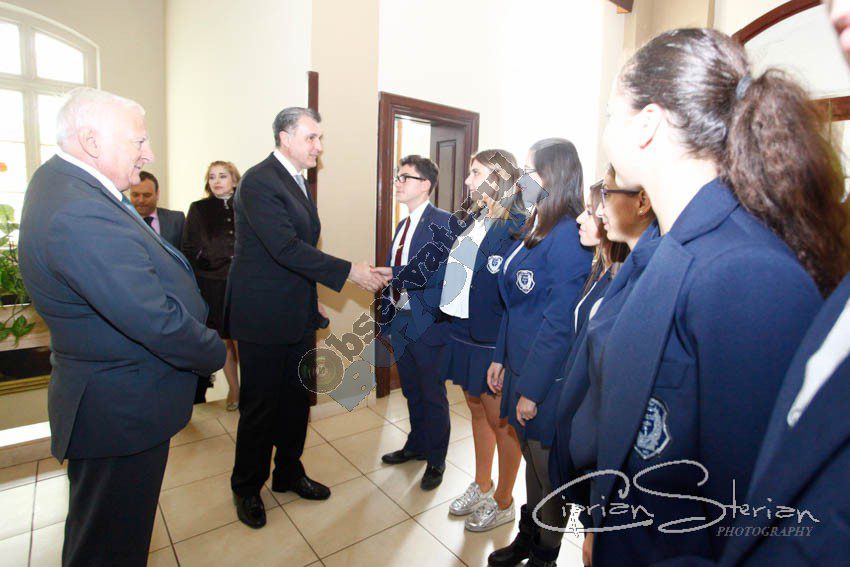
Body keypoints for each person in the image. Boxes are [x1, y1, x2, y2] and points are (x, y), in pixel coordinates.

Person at [580, 28, 845, 566]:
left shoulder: (748, 276)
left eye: (610, 114)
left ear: (647, 124)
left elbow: (743, 515)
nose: (605, 130)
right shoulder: (668, 243)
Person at [18, 87, 225, 566]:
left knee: (103, 537)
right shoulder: (79, 209)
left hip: (114, 399)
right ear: (92, 141)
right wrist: (214, 351)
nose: (147, 154)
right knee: (110, 549)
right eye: (139, 141)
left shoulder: (66, 183)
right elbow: (153, 319)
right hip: (119, 409)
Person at [227, 107, 388, 529]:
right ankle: (247, 487)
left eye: (320, 139)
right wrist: (350, 271)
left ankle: (288, 472)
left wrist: (311, 296)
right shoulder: (259, 181)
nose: (319, 147)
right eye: (312, 138)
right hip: (262, 315)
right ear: (285, 138)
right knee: (261, 406)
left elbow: (298, 252)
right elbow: (284, 248)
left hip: (295, 309)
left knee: (297, 400)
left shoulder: (295, 180)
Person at [486, 138, 593, 567]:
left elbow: (559, 323)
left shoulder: (568, 235)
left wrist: (531, 390)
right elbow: (516, 304)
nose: (522, 180)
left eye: (530, 172)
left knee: (548, 473)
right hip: (519, 365)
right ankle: (528, 537)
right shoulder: (537, 224)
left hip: (545, 377)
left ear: (554, 176)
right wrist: (499, 356)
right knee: (531, 461)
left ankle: (546, 554)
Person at [553, 167, 655, 567]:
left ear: (642, 203)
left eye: (602, 201)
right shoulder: (614, 270)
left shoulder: (645, 276)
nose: (589, 214)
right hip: (590, 446)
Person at [439, 149, 526, 531]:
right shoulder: (472, 218)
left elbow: (518, 297)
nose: (467, 180)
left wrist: (506, 354)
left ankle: (503, 500)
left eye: (475, 172)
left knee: (501, 421)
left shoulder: (520, 227)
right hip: (464, 331)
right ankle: (482, 483)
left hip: (493, 342)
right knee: (476, 411)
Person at [375, 155, 456, 491]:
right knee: (411, 388)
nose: (397, 183)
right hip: (401, 320)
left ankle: (436, 459)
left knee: (432, 393)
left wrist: (390, 273)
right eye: (397, 176)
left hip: (428, 324)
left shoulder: (443, 222)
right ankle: (417, 445)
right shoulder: (402, 225)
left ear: (425, 185)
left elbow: (433, 273)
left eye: (404, 177)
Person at [182, 160, 241, 409]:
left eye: (222, 176)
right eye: (212, 177)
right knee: (223, 338)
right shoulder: (199, 208)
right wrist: (203, 266)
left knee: (243, 338)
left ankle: (252, 389)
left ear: (234, 180)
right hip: (212, 283)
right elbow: (188, 247)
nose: (216, 181)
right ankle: (234, 390)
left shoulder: (247, 205)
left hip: (243, 282)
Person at [128, 170, 185, 248]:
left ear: (157, 194)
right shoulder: (122, 220)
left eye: (147, 195)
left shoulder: (176, 220)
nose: (141, 200)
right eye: (135, 195)